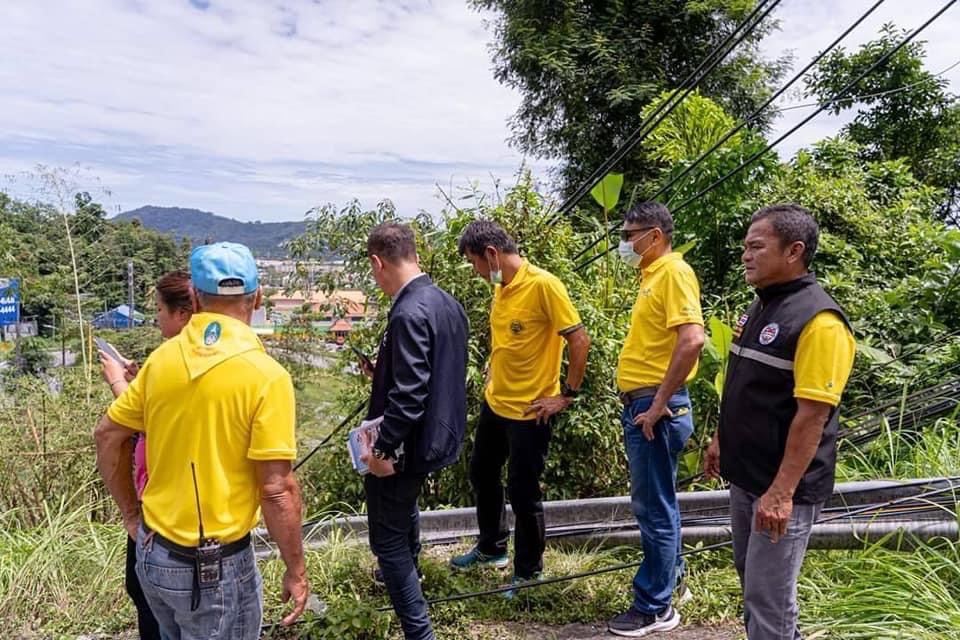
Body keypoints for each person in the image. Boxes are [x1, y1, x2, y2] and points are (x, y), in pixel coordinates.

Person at [94, 242, 309, 639]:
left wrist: (130, 514)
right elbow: (277, 490)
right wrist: (295, 570)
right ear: (258, 297)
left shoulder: (161, 361)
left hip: (154, 551)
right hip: (215, 569)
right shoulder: (266, 376)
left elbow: (107, 434)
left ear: (194, 297)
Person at [704, 204, 855, 640]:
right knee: (751, 581)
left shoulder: (820, 322)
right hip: (747, 476)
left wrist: (782, 492)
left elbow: (813, 416)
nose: (745, 255)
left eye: (756, 247)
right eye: (745, 247)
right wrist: (720, 439)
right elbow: (745, 383)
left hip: (781, 487)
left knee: (769, 598)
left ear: (794, 252)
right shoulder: (763, 305)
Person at [452, 219, 591, 593]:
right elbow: (511, 339)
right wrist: (492, 367)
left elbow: (579, 341)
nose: (475, 271)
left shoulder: (544, 285)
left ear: (492, 254)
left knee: (523, 491)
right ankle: (492, 547)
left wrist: (566, 395)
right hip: (496, 403)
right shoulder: (502, 287)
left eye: (474, 262)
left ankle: (528, 571)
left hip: (532, 411)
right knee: (482, 472)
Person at [360, 222, 468, 640]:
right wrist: (383, 370)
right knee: (404, 513)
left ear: (377, 263)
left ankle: (419, 633)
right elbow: (435, 370)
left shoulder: (407, 311)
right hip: (439, 435)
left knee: (387, 541)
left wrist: (382, 452)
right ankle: (413, 574)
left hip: (408, 444)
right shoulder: (445, 301)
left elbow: (409, 395)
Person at [608, 202, 705, 637]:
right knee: (660, 502)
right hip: (647, 403)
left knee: (652, 508)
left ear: (655, 235)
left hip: (655, 407)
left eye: (630, 236)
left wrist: (659, 401)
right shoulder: (652, 276)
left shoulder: (673, 272)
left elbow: (693, 339)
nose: (625, 243)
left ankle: (653, 606)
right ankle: (671, 582)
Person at [98, 269, 192, 640]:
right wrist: (138, 381)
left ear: (181, 313)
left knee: (150, 596)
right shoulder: (197, 357)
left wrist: (116, 381)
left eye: (159, 309)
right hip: (177, 498)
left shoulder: (174, 358)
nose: (156, 317)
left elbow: (146, 420)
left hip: (160, 504)